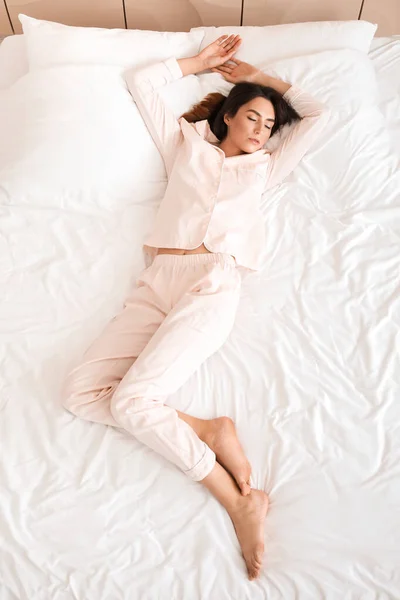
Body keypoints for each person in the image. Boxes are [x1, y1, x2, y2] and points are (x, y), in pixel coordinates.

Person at [62, 34, 331, 580]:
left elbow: (320, 114)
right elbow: (143, 83)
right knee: (79, 395)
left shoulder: (266, 169)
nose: (261, 130)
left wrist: (265, 81)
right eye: (252, 118)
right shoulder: (185, 146)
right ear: (228, 117)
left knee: (133, 404)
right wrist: (201, 64)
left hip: (212, 281)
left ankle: (237, 503)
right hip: (157, 281)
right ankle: (207, 430)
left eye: (268, 125)